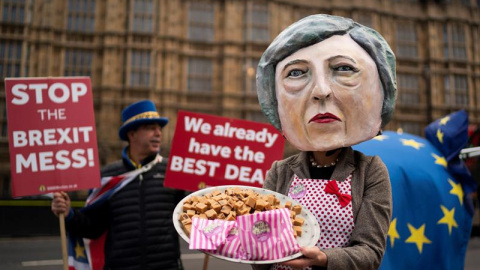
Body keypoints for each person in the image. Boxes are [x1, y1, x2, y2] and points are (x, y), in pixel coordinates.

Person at [254, 14, 395, 270]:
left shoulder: (370, 171)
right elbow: (260, 254)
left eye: (343, 68)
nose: (321, 91)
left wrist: (325, 259)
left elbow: (370, 254)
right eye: (296, 73)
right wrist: (247, 241)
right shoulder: (280, 172)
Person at [51, 100, 184, 270]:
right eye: (151, 128)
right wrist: (69, 213)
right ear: (132, 134)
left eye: (159, 128)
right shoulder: (108, 176)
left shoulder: (172, 170)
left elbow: (191, 218)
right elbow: (93, 228)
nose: (158, 133)